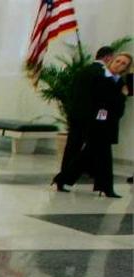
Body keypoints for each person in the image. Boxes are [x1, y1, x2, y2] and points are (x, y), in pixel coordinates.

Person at [52, 46, 112, 192]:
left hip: (76, 115)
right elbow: (102, 100)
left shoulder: (82, 71)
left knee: (72, 147)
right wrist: (102, 119)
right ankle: (66, 177)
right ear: (108, 57)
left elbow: (73, 92)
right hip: (92, 118)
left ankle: (63, 178)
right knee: (93, 150)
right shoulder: (104, 73)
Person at [81, 52, 131, 197]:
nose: (119, 64)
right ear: (112, 61)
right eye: (118, 61)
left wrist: (123, 95)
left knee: (86, 156)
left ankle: (61, 179)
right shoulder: (100, 77)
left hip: (110, 123)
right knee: (104, 159)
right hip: (97, 123)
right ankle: (106, 188)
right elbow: (99, 100)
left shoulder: (120, 82)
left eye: (124, 64)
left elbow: (122, 101)